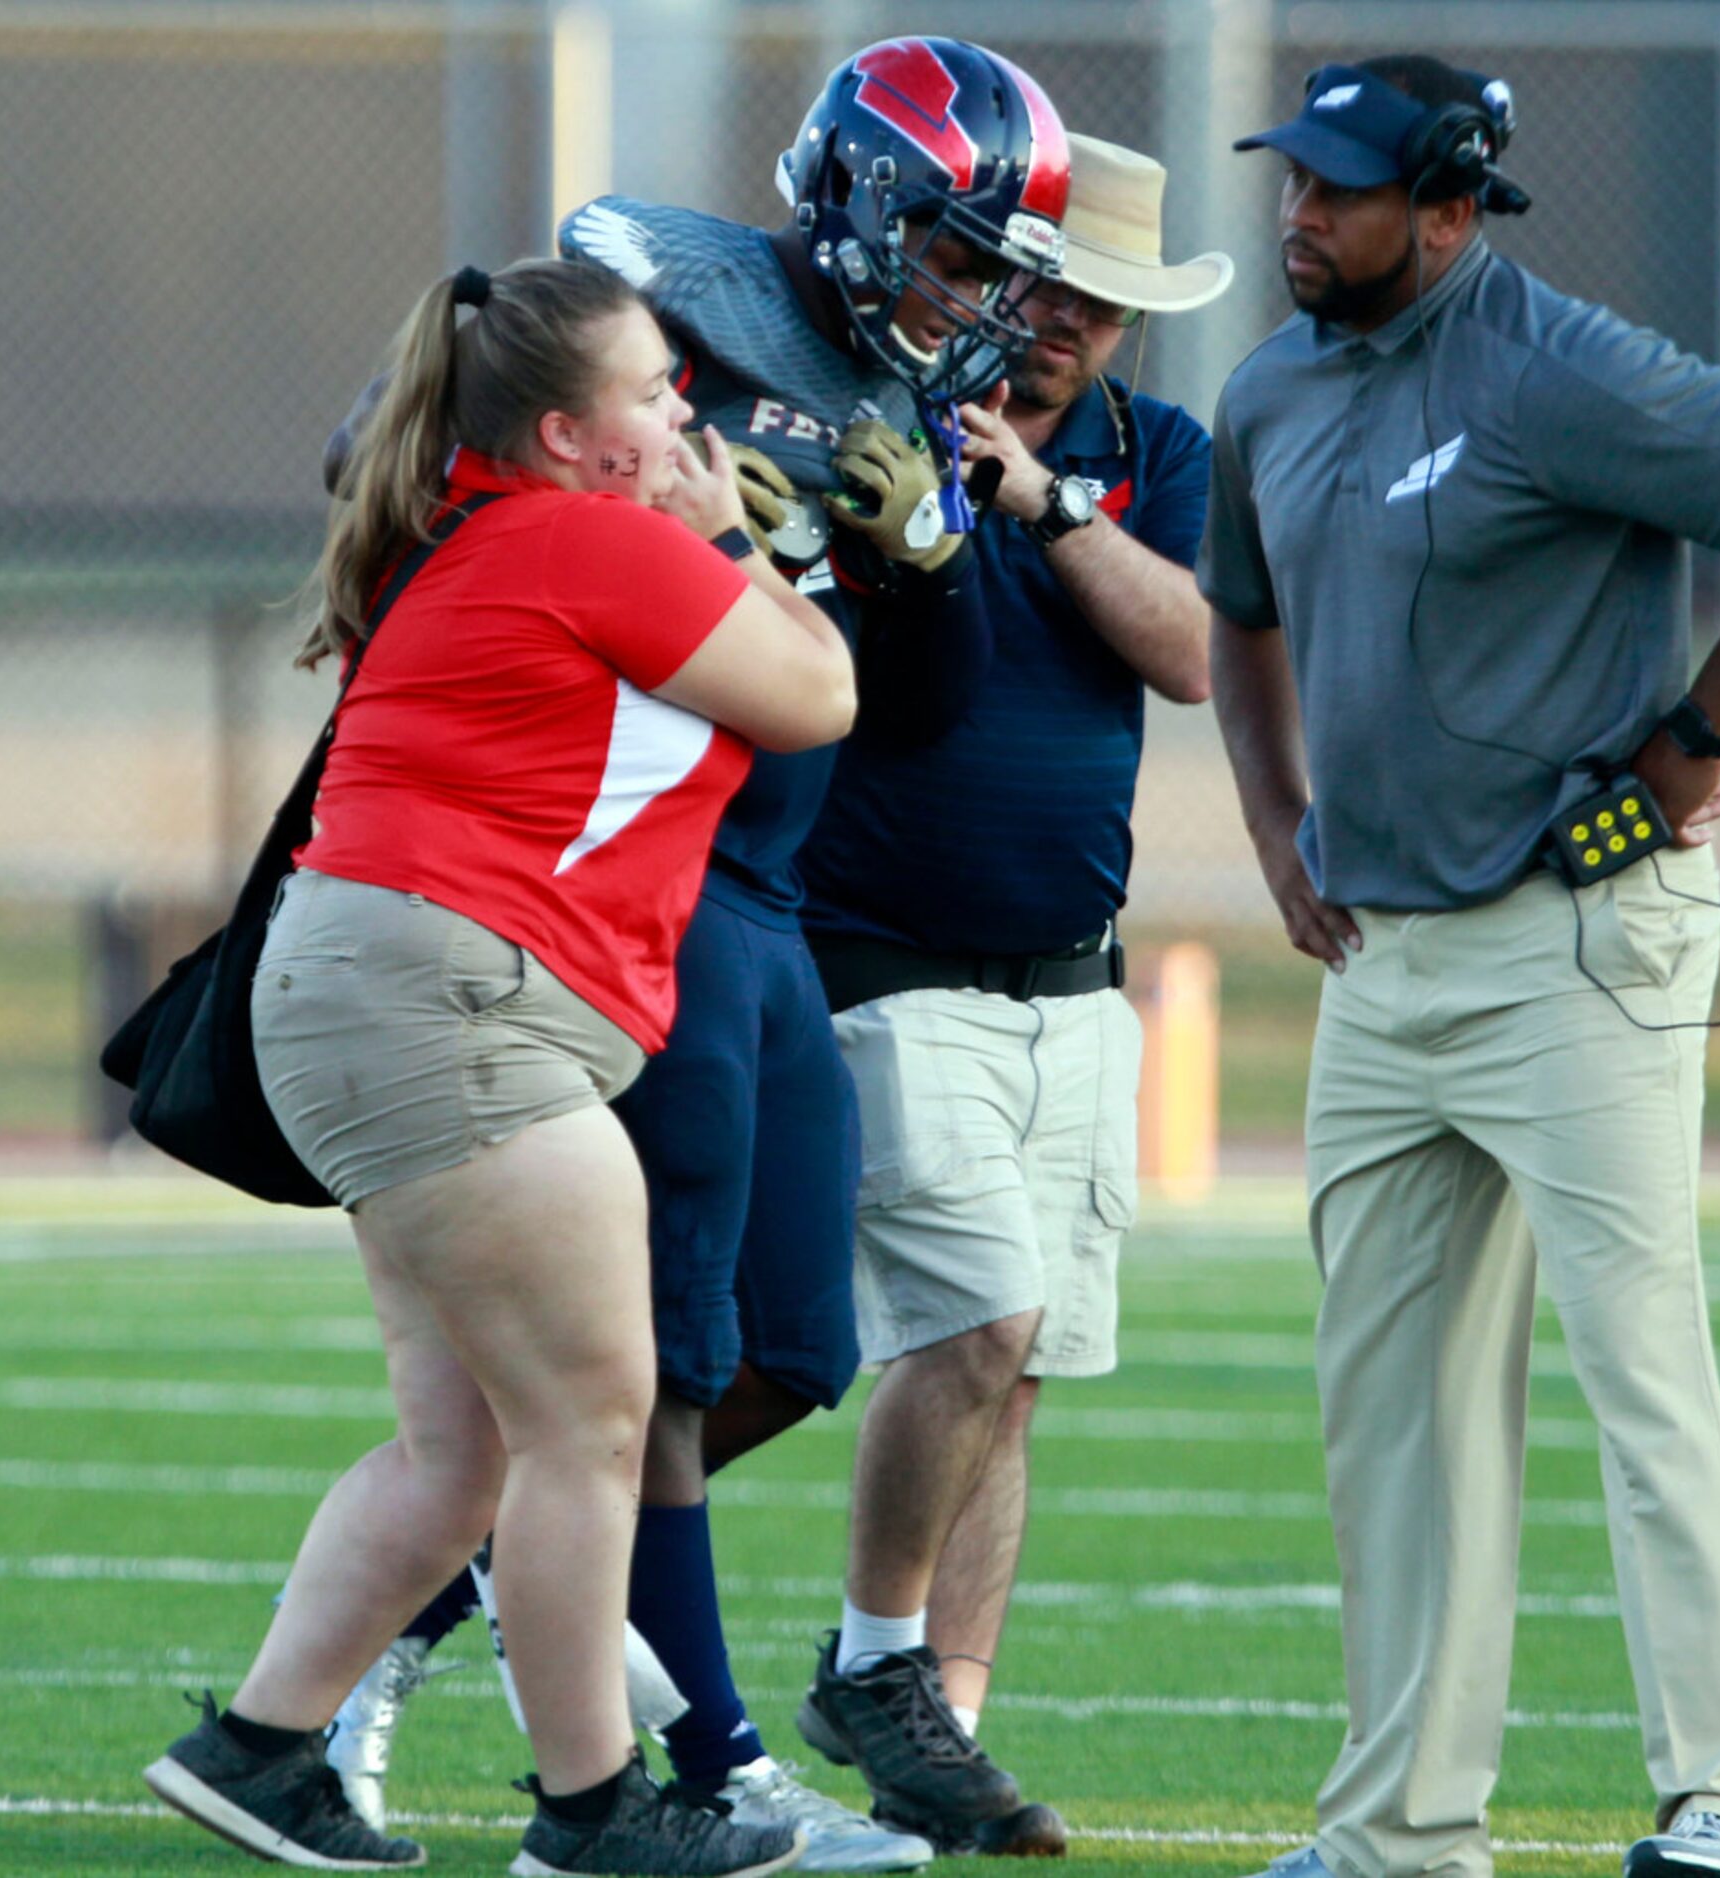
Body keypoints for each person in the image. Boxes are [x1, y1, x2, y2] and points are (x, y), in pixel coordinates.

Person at [320, 38, 1072, 1872]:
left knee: (793, 1346)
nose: (970, 301)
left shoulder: (900, 400)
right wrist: (684, 499)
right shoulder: (657, 316)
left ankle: (449, 1607)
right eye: (955, 255)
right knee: (645, 1368)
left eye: (996, 271)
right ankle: (699, 1761)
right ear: (859, 205)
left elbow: (911, 715)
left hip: (761, 905)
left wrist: (925, 557)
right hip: (613, 893)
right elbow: (391, 465)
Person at [142, 254, 855, 1876]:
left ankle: (258, 1747)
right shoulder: (590, 536)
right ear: (563, 433)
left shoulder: (490, 523)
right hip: (450, 998)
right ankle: (594, 1809)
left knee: (463, 1449)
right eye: (651, 397)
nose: (684, 416)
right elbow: (820, 692)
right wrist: (726, 528)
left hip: (387, 984)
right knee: (590, 1425)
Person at [1201, 55, 1720, 1878]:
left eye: (1339, 190)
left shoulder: (1558, 364)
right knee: (1385, 1416)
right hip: (1378, 972)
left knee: (1642, 1369)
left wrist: (1697, 742)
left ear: (1454, 211)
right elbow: (1238, 617)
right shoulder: (1266, 388)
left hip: (1574, 945)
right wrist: (1272, 828)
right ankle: (1400, 1830)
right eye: (1293, 183)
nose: (1299, 215)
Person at [791, 134, 1231, 1857]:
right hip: (884, 953)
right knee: (968, 1327)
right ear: (971, 263)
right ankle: (872, 1659)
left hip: (1075, 973)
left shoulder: (1151, 449)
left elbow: (1191, 651)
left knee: (1016, 1370)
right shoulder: (860, 411)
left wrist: (1041, 502)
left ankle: (937, 1742)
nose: (1061, 323)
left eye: (1101, 302)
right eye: (1038, 280)